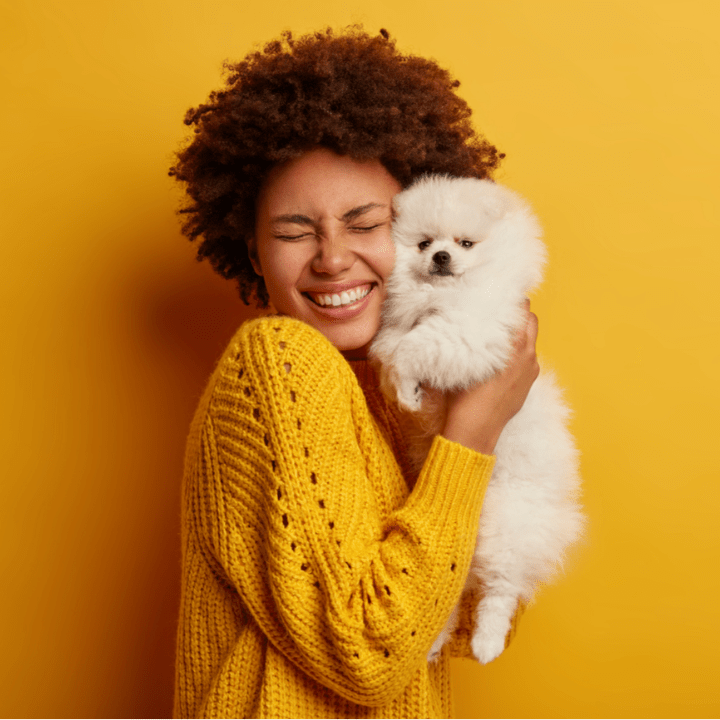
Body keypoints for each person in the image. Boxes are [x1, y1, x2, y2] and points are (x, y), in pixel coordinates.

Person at [170, 27, 539, 719]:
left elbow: (457, 628)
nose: (333, 259)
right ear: (251, 252)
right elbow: (370, 656)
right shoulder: (279, 360)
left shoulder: (385, 393)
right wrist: (473, 438)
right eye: (292, 232)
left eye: (366, 224)